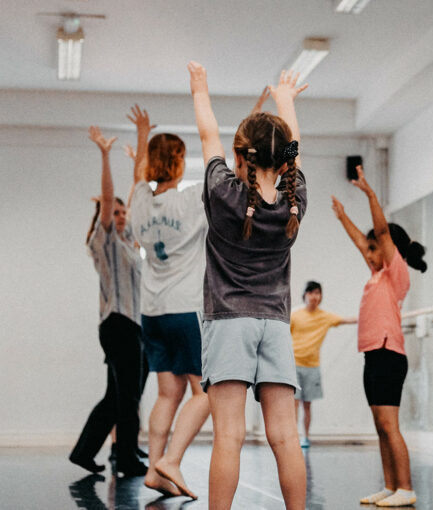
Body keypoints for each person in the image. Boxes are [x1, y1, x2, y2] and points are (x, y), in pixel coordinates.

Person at [189, 61, 308, 510]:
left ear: (241, 157)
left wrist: (200, 87)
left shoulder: (223, 194)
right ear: (284, 162)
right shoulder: (295, 205)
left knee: (229, 435)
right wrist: (286, 101)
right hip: (275, 325)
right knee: (285, 434)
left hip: (229, 323)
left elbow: (207, 135)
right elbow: (294, 153)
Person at [331, 165, 427, 508]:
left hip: (389, 353)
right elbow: (363, 241)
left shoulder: (395, 273)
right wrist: (343, 217)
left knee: (390, 423)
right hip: (373, 354)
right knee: (379, 424)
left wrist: (371, 195)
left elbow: (381, 233)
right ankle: (390, 486)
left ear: (389, 251)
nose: (368, 252)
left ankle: (406, 487)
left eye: (375, 249)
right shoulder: (375, 275)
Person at [127, 105, 209, 499]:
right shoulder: (191, 200)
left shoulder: (140, 202)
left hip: (152, 311)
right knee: (205, 392)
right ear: (178, 163)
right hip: (185, 308)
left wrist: (143, 136)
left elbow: (137, 174)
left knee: (166, 393)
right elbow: (223, 174)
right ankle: (171, 459)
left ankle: (155, 470)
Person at [69, 126, 146, 477]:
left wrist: (140, 149)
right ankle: (126, 456)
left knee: (120, 396)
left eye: (121, 213)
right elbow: (111, 197)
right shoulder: (105, 242)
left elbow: (132, 196)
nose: (120, 216)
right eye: (114, 213)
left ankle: (88, 451)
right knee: (127, 397)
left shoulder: (129, 241)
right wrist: (105, 156)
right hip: (117, 324)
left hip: (133, 326)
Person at [290, 280, 356, 448]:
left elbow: (347, 320)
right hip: (294, 365)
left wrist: (372, 316)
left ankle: (305, 437)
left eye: (317, 293)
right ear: (305, 295)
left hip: (312, 366)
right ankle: (293, 437)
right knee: (294, 404)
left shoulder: (325, 317)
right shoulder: (294, 315)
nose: (314, 296)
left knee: (307, 405)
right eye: (311, 293)